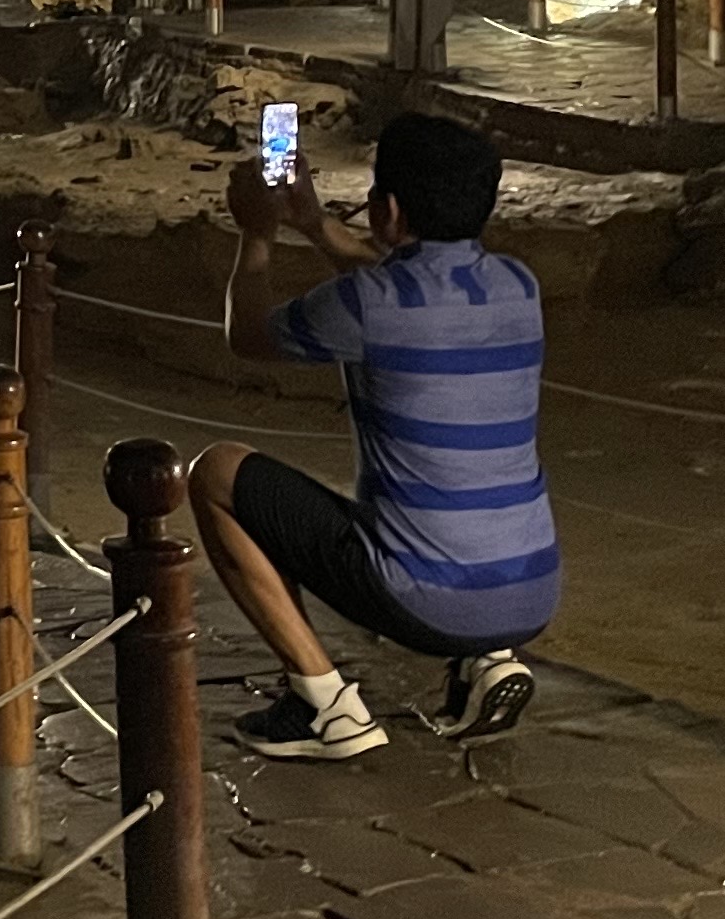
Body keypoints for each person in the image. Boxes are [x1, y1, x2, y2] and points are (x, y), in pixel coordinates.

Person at [197, 111, 554, 759]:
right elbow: (399, 281)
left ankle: (324, 707)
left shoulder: (369, 303)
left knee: (216, 473)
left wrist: (258, 232)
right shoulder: (518, 286)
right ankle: (488, 660)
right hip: (533, 595)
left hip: (423, 604)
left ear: (386, 209)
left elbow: (246, 334)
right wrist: (313, 222)